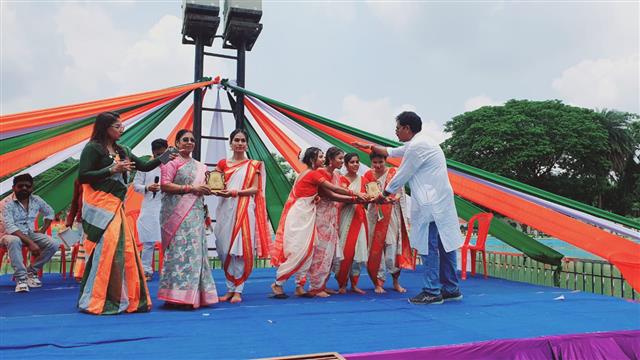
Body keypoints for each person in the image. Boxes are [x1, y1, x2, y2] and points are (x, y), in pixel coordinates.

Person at [354, 111, 464, 305]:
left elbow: (403, 174)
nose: (395, 132)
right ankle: (451, 288)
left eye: (397, 128)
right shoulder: (423, 142)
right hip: (440, 202)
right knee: (445, 245)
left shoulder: (417, 147)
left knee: (429, 247)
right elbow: (393, 151)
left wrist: (384, 194)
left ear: (406, 128)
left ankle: (432, 291)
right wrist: (370, 146)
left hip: (430, 204)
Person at [77, 111, 165, 315]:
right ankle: (98, 297)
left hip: (116, 205)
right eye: (117, 126)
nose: (121, 130)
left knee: (124, 248)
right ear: (105, 128)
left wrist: (169, 154)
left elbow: (144, 165)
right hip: (99, 205)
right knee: (106, 248)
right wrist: (111, 170)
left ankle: (122, 297)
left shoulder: (123, 149)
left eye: (121, 126)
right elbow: (83, 176)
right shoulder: (92, 149)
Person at [270, 147, 368, 299]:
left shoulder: (314, 173)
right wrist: (355, 194)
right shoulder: (314, 174)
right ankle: (278, 283)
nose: (323, 159)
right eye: (321, 157)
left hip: (309, 212)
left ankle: (299, 286)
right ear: (311, 160)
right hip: (301, 214)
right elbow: (332, 190)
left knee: (308, 251)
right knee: (299, 250)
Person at [159, 129, 218, 309]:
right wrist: (191, 188)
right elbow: (165, 185)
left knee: (194, 253)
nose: (189, 142)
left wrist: (207, 189)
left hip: (195, 212)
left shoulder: (201, 167)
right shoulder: (170, 162)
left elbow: (202, 188)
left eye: (192, 140)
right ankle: (174, 296)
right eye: (185, 139)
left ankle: (193, 297)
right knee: (177, 253)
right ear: (177, 143)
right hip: (175, 214)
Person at [213, 129, 270, 304]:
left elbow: (255, 189)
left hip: (244, 207)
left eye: (242, 140)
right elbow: (214, 182)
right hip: (225, 208)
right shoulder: (223, 163)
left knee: (240, 249)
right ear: (230, 143)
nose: (239, 143)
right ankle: (230, 289)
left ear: (247, 144)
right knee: (224, 248)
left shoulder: (254, 165)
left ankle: (238, 289)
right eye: (236, 140)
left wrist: (235, 192)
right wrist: (217, 191)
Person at [362, 152, 414, 294]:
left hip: (392, 215)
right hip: (375, 216)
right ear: (371, 162)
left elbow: (399, 193)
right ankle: (378, 283)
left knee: (392, 248)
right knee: (375, 249)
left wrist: (391, 199)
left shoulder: (393, 172)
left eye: (381, 162)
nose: (378, 165)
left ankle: (396, 282)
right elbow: (369, 196)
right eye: (375, 163)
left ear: (386, 160)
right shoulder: (368, 175)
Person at [0, 174, 60, 293]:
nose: (24, 188)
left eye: (27, 186)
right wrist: (31, 243)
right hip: (7, 235)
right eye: (20, 186)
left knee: (53, 243)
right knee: (14, 240)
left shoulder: (36, 200)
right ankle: (21, 279)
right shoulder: (6, 203)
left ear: (32, 188)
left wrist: (43, 231)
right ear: (14, 188)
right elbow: (11, 227)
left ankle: (31, 272)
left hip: (29, 233)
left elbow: (50, 213)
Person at [306, 146, 344, 298]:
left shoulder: (336, 174)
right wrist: (356, 197)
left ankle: (323, 284)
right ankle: (315, 287)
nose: (342, 161)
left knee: (330, 252)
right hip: (322, 216)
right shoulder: (321, 173)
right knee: (321, 251)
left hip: (333, 216)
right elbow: (331, 194)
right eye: (340, 158)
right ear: (331, 159)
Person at [133, 138, 168, 281]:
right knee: (148, 242)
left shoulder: (172, 165)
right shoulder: (145, 166)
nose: (161, 157)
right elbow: (136, 185)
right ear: (153, 153)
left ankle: (169, 270)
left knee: (170, 241)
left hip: (167, 206)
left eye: (163, 154)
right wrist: (147, 188)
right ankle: (146, 270)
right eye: (158, 154)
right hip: (150, 207)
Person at [334, 153, 369, 294]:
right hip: (345, 217)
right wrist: (355, 198)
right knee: (345, 250)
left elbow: (369, 198)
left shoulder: (364, 180)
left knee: (359, 251)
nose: (355, 164)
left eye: (357, 162)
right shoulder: (340, 180)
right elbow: (339, 200)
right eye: (352, 162)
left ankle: (354, 284)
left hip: (359, 218)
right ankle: (342, 283)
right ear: (346, 164)